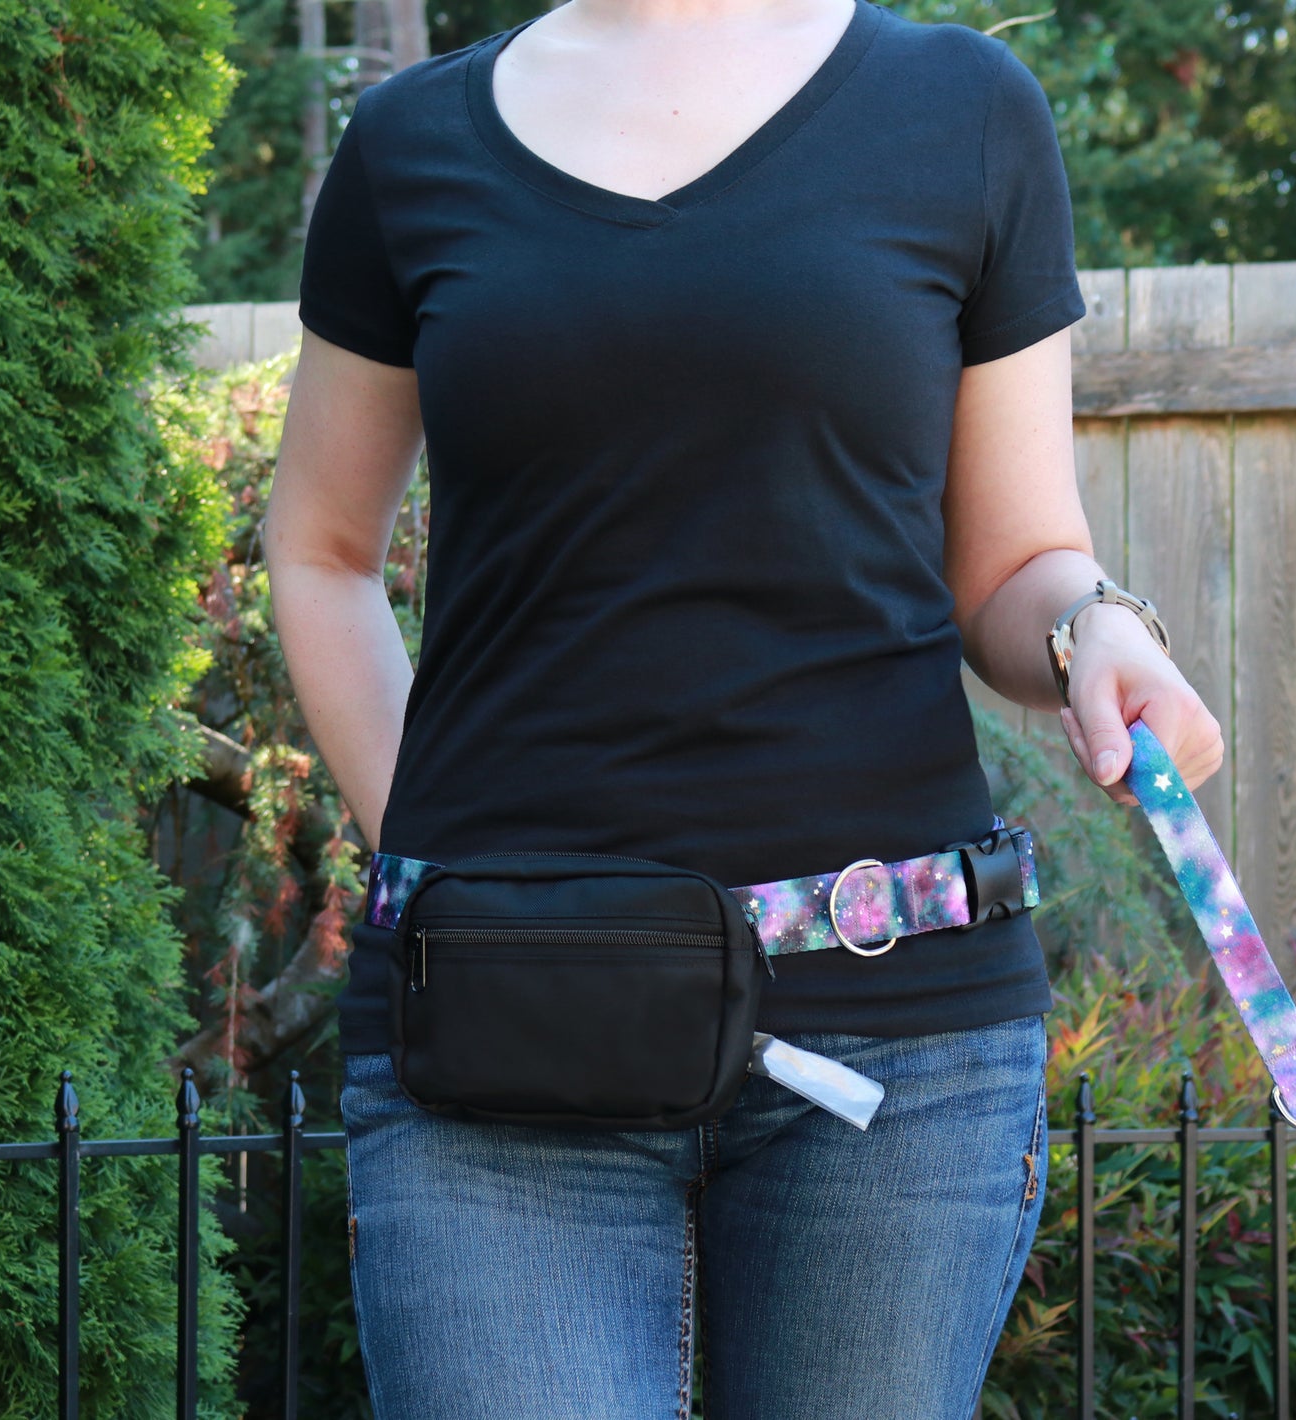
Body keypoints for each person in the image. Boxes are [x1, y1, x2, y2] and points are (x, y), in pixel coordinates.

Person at [264, 0, 1224, 1413]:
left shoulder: (962, 109)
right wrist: (449, 878)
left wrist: (1095, 631)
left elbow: (1015, 562)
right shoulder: (411, 144)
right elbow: (322, 547)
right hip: (498, 1046)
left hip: (896, 1050)